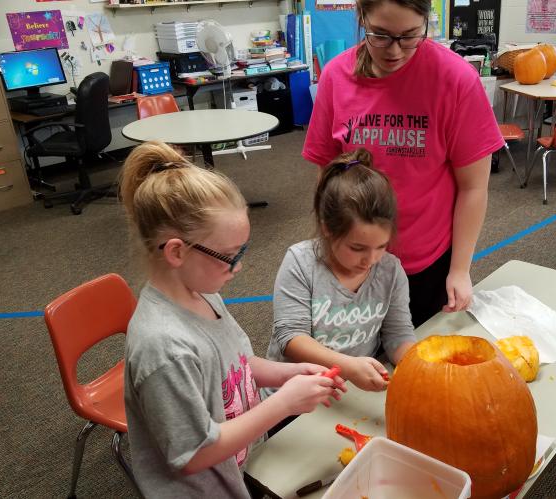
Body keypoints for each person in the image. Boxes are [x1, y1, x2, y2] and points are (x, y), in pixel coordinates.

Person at [119, 141, 345, 498]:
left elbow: (235, 362)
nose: (239, 266)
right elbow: (194, 454)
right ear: (177, 251)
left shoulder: (203, 290)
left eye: (242, 250)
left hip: (236, 469)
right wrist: (283, 403)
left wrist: (287, 373)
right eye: (228, 255)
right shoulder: (164, 348)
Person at [303, 0, 504, 327]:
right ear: (361, 17)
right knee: (357, 361)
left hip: (426, 263)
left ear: (427, 21)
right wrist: (332, 246)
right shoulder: (337, 77)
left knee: (418, 360)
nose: (394, 51)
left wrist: (460, 269)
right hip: (356, 260)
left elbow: (473, 187)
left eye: (410, 36)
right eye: (380, 35)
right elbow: (328, 178)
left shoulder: (455, 79)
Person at [267, 148, 417, 394]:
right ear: (328, 229)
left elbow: (398, 334)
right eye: (357, 248)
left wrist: (420, 365)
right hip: (294, 397)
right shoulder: (301, 263)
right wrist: (348, 366)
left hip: (350, 393)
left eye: (381, 246)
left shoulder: (390, 270)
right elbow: (291, 338)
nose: (370, 259)